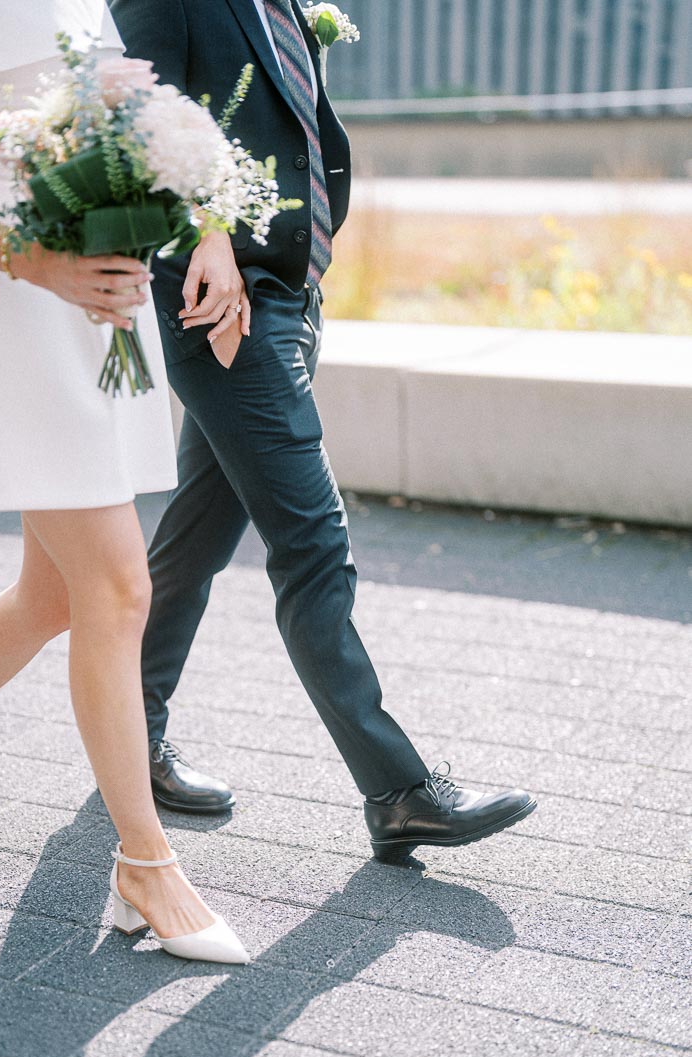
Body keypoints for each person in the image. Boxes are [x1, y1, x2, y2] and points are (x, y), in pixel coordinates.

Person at [0, 0, 249, 964]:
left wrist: (199, 223)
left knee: (55, 595)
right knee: (118, 587)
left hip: (99, 303)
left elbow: (131, 128)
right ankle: (145, 866)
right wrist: (46, 265)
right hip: (19, 302)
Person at [111, 0, 537, 862]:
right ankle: (399, 791)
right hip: (225, 303)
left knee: (195, 539)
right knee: (313, 545)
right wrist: (208, 232)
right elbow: (134, 115)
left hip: (290, 295)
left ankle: (126, 737)